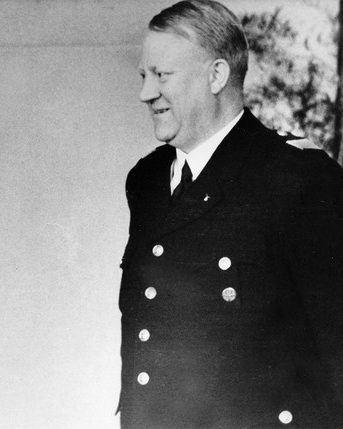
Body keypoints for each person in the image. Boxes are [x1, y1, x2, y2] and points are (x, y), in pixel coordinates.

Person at [117, 1, 343, 427]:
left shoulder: (297, 179)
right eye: (144, 76)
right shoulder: (146, 181)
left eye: (162, 76)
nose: (145, 93)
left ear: (216, 76)